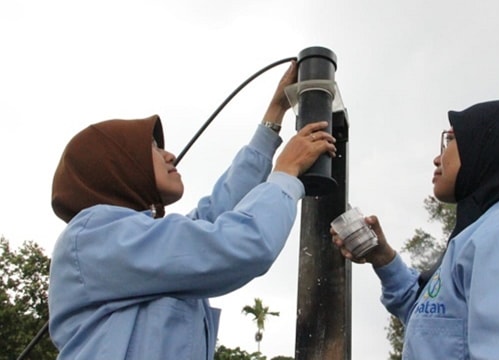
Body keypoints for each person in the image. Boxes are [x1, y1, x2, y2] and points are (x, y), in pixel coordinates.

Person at [48, 61, 336, 359]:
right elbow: (237, 244)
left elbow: (215, 218)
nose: (168, 154)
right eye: (153, 148)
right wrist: (286, 173)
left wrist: (274, 114)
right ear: (115, 167)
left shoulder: (132, 246)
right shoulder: (94, 235)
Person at [332, 100, 499, 359]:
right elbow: (431, 322)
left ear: (489, 149)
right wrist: (383, 258)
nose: (437, 158)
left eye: (452, 140)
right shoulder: (480, 237)